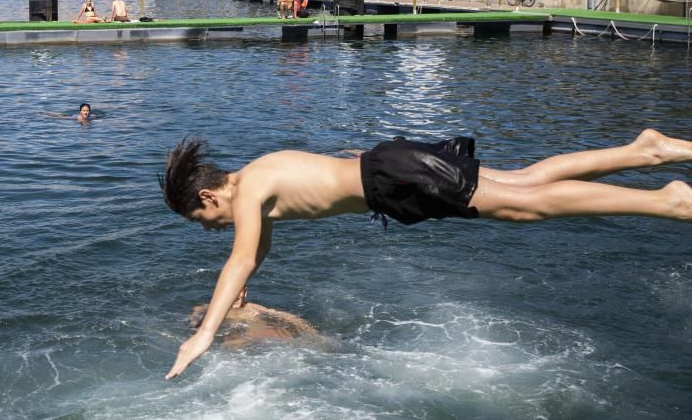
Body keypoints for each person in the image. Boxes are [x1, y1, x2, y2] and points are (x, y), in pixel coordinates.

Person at [160, 130, 692, 379]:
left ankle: (665, 202)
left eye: (202, 220)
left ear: (208, 196)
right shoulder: (258, 174)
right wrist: (241, 286)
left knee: (524, 207)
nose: (211, 229)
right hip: (391, 169)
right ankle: (643, 151)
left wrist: (204, 333)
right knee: (525, 183)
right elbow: (255, 252)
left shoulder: (249, 189)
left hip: (393, 178)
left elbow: (240, 257)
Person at [187, 287, 321, 349]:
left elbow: (282, 315)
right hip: (235, 335)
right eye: (233, 292)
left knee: (288, 338)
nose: (237, 296)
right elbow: (197, 314)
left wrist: (308, 329)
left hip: (257, 335)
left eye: (240, 292)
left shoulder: (252, 307)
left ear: (245, 292)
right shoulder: (215, 307)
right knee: (233, 342)